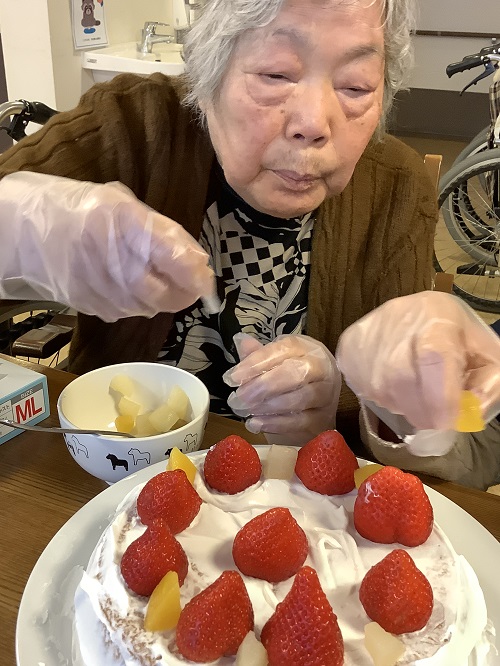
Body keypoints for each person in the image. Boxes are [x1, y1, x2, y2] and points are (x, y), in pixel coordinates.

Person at [0, 0, 498, 486]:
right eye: (276, 75)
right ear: (208, 74)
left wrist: (353, 404)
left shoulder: (396, 188)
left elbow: (435, 449)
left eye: (355, 86)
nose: (314, 124)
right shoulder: (131, 125)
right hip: (100, 486)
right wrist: (23, 235)